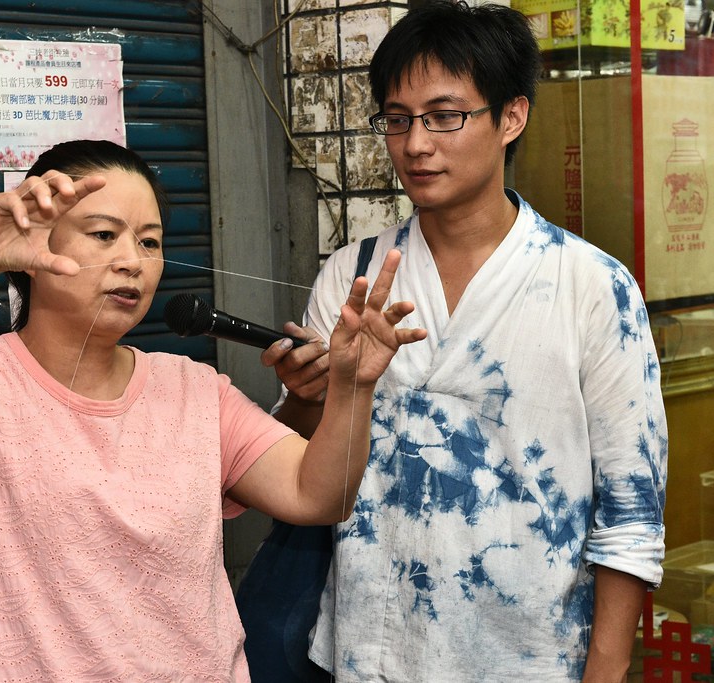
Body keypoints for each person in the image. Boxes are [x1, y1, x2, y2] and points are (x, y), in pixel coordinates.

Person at [0, 139, 426, 681]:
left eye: (151, 241)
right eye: (104, 235)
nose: (133, 260)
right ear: (34, 244)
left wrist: (351, 388)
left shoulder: (195, 391)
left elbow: (317, 495)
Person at [256, 2, 668, 681]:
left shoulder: (590, 286)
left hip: (531, 657)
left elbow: (629, 510)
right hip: (372, 651)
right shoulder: (353, 275)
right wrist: (306, 398)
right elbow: (304, 473)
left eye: (445, 116)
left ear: (511, 116)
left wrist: (604, 669)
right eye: (396, 118)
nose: (415, 144)